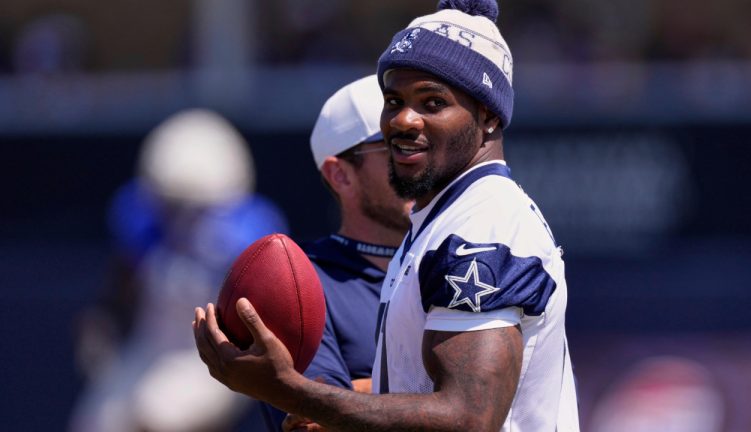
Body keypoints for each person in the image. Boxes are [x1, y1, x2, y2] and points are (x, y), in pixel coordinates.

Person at [194, 1, 580, 430]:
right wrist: (336, 403)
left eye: (432, 102)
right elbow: (424, 392)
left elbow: (470, 419)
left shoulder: (483, 222)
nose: (403, 119)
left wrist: (288, 389)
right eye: (394, 100)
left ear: (487, 115)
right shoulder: (437, 223)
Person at [70, 108, 289, 432]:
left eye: (193, 206)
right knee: (96, 423)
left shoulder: (248, 235)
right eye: (172, 204)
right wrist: (105, 320)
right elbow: (123, 283)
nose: (182, 216)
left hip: (213, 355)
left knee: (157, 415)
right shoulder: (145, 221)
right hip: (151, 349)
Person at [242, 75, 413, 431]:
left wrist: (364, 391)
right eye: (397, 146)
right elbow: (318, 418)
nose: (421, 161)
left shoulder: (465, 257)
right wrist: (455, 391)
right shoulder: (298, 285)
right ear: (341, 176)